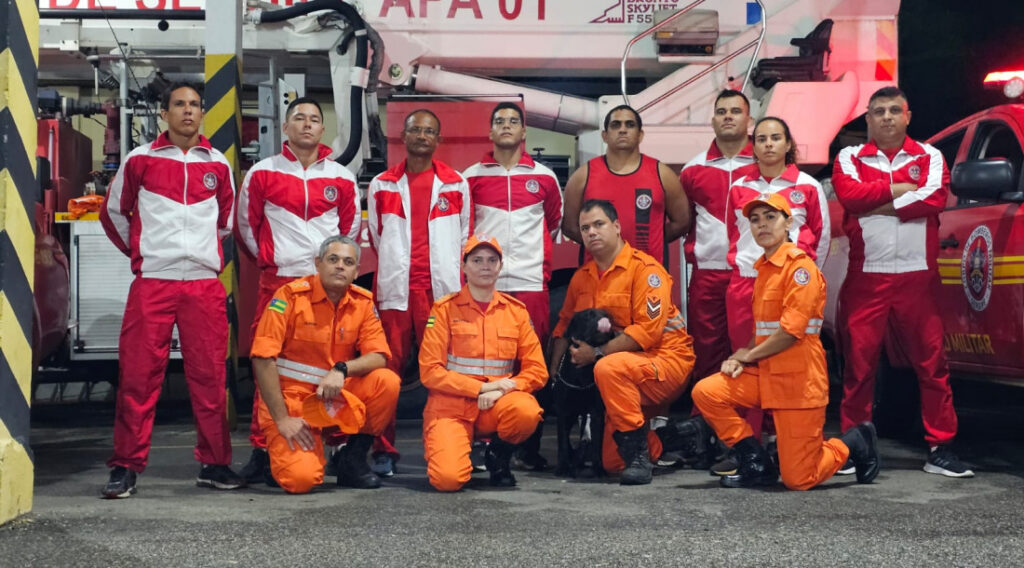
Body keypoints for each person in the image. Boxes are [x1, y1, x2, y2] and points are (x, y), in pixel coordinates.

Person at [99, 82, 242, 498]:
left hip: (203, 285)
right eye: (179, 104)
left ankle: (214, 464)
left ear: (202, 113)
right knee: (138, 379)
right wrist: (144, 252)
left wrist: (195, 254)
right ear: (164, 114)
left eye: (195, 105)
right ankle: (125, 466)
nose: (188, 111)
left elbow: (226, 223)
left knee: (211, 378)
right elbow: (113, 213)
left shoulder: (218, 165)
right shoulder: (139, 160)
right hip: (153, 284)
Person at [691, 193, 880, 490]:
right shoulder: (764, 268)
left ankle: (852, 443)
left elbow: (789, 334)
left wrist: (745, 357)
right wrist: (743, 351)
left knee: (799, 479)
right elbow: (765, 329)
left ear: (788, 222)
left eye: (770, 217)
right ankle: (756, 463)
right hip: (766, 374)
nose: (762, 225)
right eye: (754, 220)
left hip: (797, 381)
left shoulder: (800, 269)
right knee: (707, 392)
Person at [833, 86, 973, 478]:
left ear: (908, 115)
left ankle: (940, 447)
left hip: (918, 277)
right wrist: (900, 191)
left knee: (932, 365)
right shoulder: (849, 157)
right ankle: (853, 444)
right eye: (879, 111)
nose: (887, 117)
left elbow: (934, 200)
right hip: (868, 277)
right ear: (868, 119)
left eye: (895, 110)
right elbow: (850, 196)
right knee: (859, 367)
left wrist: (873, 201)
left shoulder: (929, 156)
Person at [235, 96, 361, 483]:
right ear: (286, 128)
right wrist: (274, 262)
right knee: (268, 365)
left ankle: (336, 444)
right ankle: (261, 447)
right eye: (299, 118)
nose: (307, 124)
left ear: (324, 130)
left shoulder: (343, 177)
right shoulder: (261, 173)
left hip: (327, 289)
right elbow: (245, 227)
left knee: (331, 363)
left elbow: (349, 233)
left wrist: (330, 274)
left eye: (314, 120)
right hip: (278, 283)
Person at [549, 200, 696, 485]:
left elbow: (648, 333)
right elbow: (564, 326)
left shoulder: (646, 272)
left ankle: (640, 458)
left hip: (665, 362)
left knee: (608, 368)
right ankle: (678, 438)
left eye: (599, 224)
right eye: (585, 228)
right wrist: (555, 372)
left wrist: (597, 353)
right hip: (620, 375)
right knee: (610, 461)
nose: (591, 232)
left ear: (616, 227)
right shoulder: (582, 278)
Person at [249, 235, 401, 494]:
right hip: (293, 403)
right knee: (301, 481)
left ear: (355, 272)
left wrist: (342, 369)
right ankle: (281, 459)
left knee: (386, 382)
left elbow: (379, 356)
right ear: (318, 264)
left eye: (348, 262)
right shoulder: (290, 297)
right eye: (333, 259)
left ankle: (351, 461)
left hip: (334, 398)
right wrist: (283, 419)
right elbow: (262, 359)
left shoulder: (362, 303)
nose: (340, 266)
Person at [366, 108, 471, 477]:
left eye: (430, 131)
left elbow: (463, 238)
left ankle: (450, 445)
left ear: (438, 140)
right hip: (396, 294)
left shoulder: (456, 184)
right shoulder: (382, 184)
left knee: (446, 373)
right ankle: (383, 450)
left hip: (440, 296)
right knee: (389, 376)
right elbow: (377, 238)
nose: (422, 136)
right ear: (404, 137)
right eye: (416, 130)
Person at [462, 102, 562, 471]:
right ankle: (479, 442)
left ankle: (525, 445)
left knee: (528, 365)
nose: (506, 126)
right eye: (499, 121)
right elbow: (463, 226)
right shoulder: (470, 176)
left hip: (530, 283)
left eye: (513, 121)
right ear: (490, 133)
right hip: (486, 285)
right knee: (482, 360)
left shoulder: (546, 178)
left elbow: (552, 223)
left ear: (524, 133)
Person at [418, 235, 548, 491]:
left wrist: (502, 389)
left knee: (526, 412)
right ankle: (455, 450)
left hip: (496, 405)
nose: (485, 266)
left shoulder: (516, 312)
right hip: (450, 408)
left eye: (492, 260)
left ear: (500, 267)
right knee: (448, 481)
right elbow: (430, 372)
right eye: (477, 260)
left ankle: (498, 455)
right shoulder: (443, 310)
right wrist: (480, 389)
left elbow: (537, 370)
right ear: (464, 267)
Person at [679, 89, 756, 381]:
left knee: (752, 347)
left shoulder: (763, 165)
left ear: (749, 119)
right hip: (707, 273)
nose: (728, 117)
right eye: (722, 112)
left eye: (735, 111)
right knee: (706, 348)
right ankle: (705, 417)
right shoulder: (693, 169)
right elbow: (685, 220)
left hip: (752, 273)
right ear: (712, 120)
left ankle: (752, 416)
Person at [561, 105, 690, 264]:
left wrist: (652, 239)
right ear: (605, 135)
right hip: (598, 277)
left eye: (630, 125)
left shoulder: (663, 174)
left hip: (649, 276)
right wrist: (602, 245)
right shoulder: (583, 175)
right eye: (616, 125)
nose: (623, 130)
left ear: (640, 135)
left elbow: (682, 222)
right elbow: (569, 227)